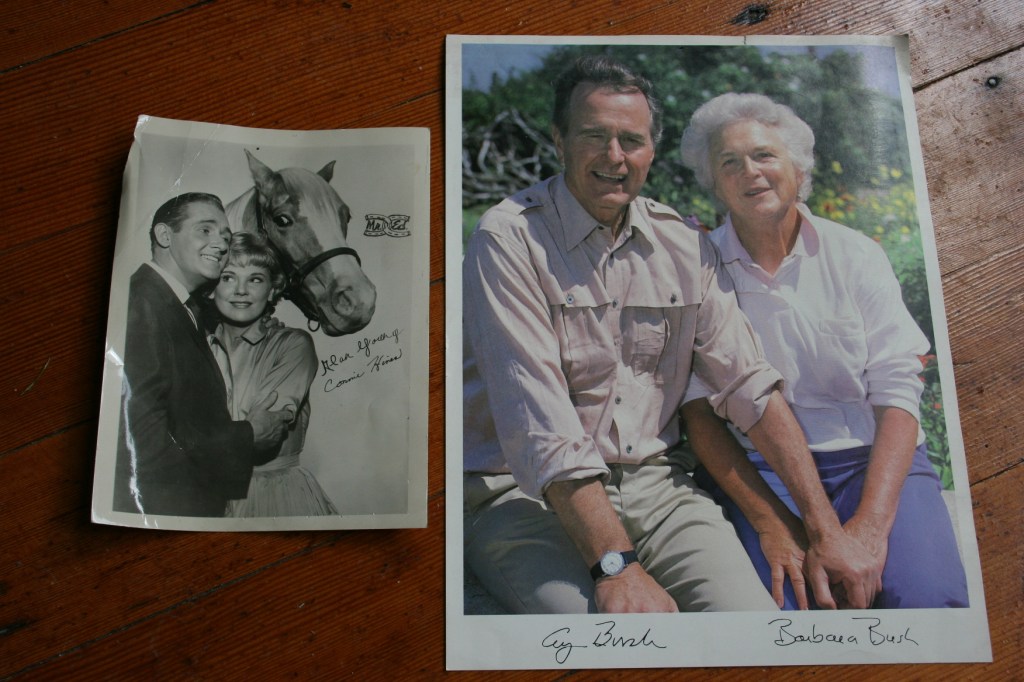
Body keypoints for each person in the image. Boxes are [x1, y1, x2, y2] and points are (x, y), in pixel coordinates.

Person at [463, 56, 879, 615]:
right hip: (525, 495)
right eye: (594, 136)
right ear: (559, 140)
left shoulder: (682, 244)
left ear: (651, 150)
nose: (615, 157)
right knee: (605, 640)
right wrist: (617, 565)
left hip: (656, 487)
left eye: (631, 140)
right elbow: (541, 425)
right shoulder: (508, 238)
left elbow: (749, 386)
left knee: (753, 625)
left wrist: (822, 531)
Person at [678, 92, 968, 609]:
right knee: (786, 612)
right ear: (715, 182)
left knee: (930, 600)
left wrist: (871, 528)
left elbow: (899, 390)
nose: (751, 172)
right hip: (762, 471)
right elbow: (698, 417)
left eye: (765, 155)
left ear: (797, 166)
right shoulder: (698, 271)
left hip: (869, 462)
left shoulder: (855, 254)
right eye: (730, 162)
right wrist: (773, 524)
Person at [113, 193, 291, 517]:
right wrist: (249, 436)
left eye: (225, 236)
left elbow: (182, 424)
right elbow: (143, 446)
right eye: (205, 230)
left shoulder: (175, 305)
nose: (222, 245)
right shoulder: (141, 304)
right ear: (165, 236)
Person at [208, 232, 338, 517]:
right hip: (205, 492)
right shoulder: (196, 344)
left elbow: (264, 428)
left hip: (270, 494)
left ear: (272, 290)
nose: (240, 290)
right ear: (210, 287)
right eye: (228, 277)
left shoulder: (293, 344)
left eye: (255, 279)